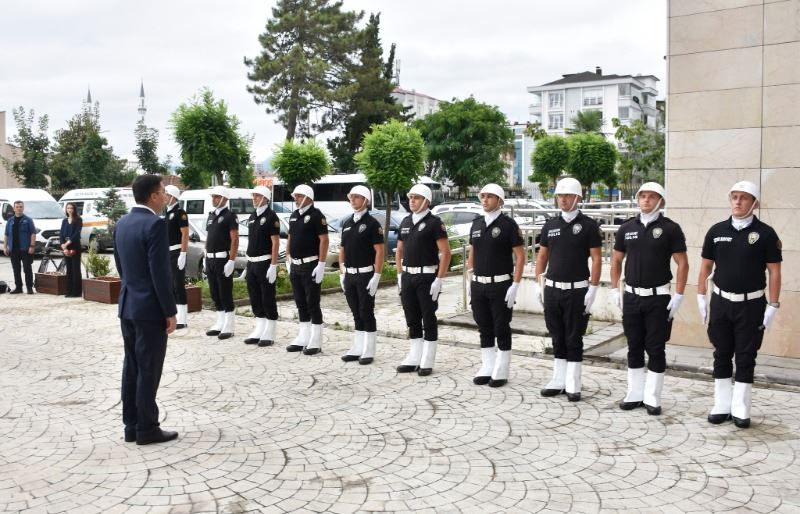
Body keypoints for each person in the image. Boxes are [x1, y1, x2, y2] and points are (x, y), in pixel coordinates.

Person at [697, 180, 781, 429]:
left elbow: (774, 272)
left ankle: (741, 407)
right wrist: (701, 296)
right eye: (734, 197)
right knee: (721, 353)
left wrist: (773, 305)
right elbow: (705, 266)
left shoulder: (766, 234)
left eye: (744, 198)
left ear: (754, 203)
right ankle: (721, 404)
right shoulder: (716, 230)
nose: (737, 201)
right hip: (722, 302)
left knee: (745, 356)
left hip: (752, 305)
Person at [610, 182, 688, 415]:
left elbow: (682, 263)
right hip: (632, 297)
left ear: (660, 201)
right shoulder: (626, 228)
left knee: (655, 348)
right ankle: (634, 393)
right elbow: (615, 261)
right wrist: (615, 289)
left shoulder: (670, 228)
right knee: (634, 347)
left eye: (652, 197)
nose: (646, 200)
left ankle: (652, 397)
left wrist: (680, 294)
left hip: (658, 298)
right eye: (642, 196)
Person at [113, 174, 178, 445]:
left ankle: (131, 425)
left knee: (132, 368)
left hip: (128, 304)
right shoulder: (155, 224)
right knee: (148, 369)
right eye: (162, 192)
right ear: (152, 196)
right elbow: (160, 273)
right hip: (150, 309)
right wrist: (169, 311)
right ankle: (147, 428)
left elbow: (120, 265)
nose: (165, 196)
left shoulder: (122, 223)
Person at [535, 177, 602, 401]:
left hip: (577, 290)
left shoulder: (589, 226)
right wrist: (538, 281)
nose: (563, 200)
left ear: (578, 198)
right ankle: (558, 379)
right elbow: (542, 255)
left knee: (574, 337)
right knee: (557, 335)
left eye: (567, 196)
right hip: (553, 289)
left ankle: (573, 382)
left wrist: (593, 287)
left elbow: (596, 258)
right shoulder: (550, 225)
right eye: (560, 196)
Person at [468, 184, 525, 388]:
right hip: (479, 284)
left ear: (500, 201)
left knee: (501, 326)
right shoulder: (476, 224)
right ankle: (487, 366)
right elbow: (472, 252)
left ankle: (501, 369)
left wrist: (515, 285)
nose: (485, 200)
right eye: (482, 196)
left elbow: (520, 257)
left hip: (501, 284)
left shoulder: (508, 225)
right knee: (484, 326)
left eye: (490, 197)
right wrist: (470, 278)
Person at [396, 183, 452, 376]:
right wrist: (398, 274)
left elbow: (445, 253)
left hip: (427, 275)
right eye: (410, 197)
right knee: (411, 318)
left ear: (426, 201)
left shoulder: (435, 223)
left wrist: (439, 279)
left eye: (417, 198)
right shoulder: (405, 221)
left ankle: (427, 359)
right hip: (408, 275)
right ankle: (414, 356)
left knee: (428, 317)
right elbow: (400, 250)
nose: (412, 201)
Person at [339, 185, 384, 365]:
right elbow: (342, 249)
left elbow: (379, 251)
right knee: (356, 312)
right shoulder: (347, 222)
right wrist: (342, 271)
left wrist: (377, 275)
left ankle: (369, 349)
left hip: (366, 274)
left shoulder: (373, 224)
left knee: (366, 311)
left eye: (357, 197)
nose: (353, 200)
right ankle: (357, 347)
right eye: (351, 197)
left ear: (365, 200)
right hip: (349, 275)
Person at [285, 184, 329, 355]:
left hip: (311, 265)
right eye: (295, 196)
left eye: (298, 196)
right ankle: (303, 336)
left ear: (308, 197)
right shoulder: (294, 215)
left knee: (312, 303)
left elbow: (324, 240)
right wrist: (288, 255)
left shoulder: (317, 216)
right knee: (300, 302)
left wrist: (321, 264)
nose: (295, 199)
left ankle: (316, 340)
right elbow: (290, 236)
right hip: (295, 264)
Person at [243, 185, 281, 347]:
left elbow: (275, 242)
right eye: (254, 196)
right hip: (252, 262)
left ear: (266, 198)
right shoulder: (252, 217)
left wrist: (273, 264)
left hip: (265, 262)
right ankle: (260, 327)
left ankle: (270, 331)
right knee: (255, 296)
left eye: (258, 196)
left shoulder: (271, 217)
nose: (255, 198)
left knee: (267, 296)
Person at [204, 186, 239, 340]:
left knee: (225, 292)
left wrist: (231, 260)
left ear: (225, 199)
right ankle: (220, 321)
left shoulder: (230, 216)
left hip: (222, 259)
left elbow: (235, 239)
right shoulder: (211, 215)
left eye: (217, 197)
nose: (214, 199)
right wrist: (205, 256)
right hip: (210, 258)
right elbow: (208, 237)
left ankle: (229, 325)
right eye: (213, 197)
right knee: (214, 292)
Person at [165, 185, 190, 329]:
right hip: (168, 253)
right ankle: (175, 313)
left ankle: (183, 318)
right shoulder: (167, 212)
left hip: (176, 252)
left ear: (173, 197)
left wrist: (183, 253)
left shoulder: (180, 213)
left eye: (167, 195)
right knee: (170, 285)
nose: (165, 198)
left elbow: (185, 234)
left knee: (178, 284)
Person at [3, 200, 37, 294]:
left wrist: (32, 246)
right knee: (16, 269)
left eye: (20, 207)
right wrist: (5, 247)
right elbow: (6, 234)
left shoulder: (28, 220)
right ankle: (18, 287)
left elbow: (33, 233)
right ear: (14, 209)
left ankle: (29, 288)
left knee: (27, 269)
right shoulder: (10, 221)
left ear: (23, 208)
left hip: (25, 249)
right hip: (13, 249)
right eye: (17, 207)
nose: (19, 208)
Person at [59, 202, 83, 298]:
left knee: (75, 269)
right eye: (68, 208)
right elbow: (61, 233)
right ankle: (68, 291)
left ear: (74, 209)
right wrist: (62, 245)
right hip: (65, 246)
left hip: (74, 246)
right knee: (69, 269)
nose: (69, 210)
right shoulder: (64, 221)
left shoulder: (78, 220)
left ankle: (76, 292)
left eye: (71, 208)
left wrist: (67, 244)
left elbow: (76, 234)